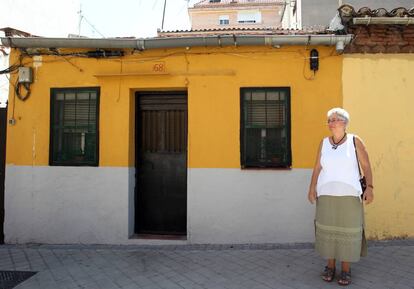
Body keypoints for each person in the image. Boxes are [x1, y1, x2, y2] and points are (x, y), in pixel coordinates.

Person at [308, 107, 374, 286]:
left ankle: (345, 269)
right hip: (326, 194)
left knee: (348, 232)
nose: (331, 123)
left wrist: (370, 188)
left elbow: (366, 166)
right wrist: (312, 188)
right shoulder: (323, 143)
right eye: (329, 120)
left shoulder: (354, 141)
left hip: (349, 195)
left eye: (335, 119)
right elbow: (317, 167)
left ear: (344, 123)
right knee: (327, 231)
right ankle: (330, 266)